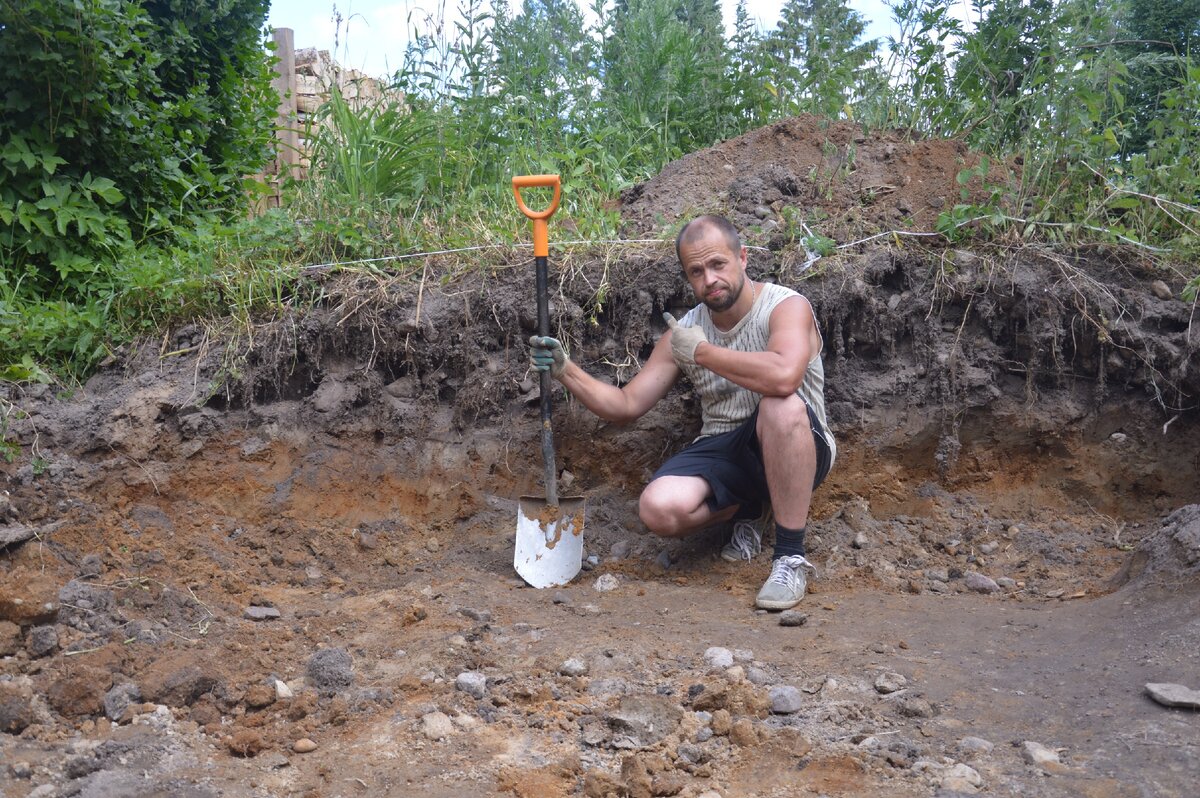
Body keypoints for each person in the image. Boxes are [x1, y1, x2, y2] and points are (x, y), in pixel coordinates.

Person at [529, 215, 836, 609]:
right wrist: (565, 370)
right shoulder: (686, 331)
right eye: (696, 271)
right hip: (725, 449)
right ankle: (752, 508)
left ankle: (789, 557)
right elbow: (627, 405)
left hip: (798, 441)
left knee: (779, 406)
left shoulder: (785, 307)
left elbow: (783, 378)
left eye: (718, 264)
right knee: (658, 509)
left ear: (742, 258)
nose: (709, 279)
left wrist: (703, 353)